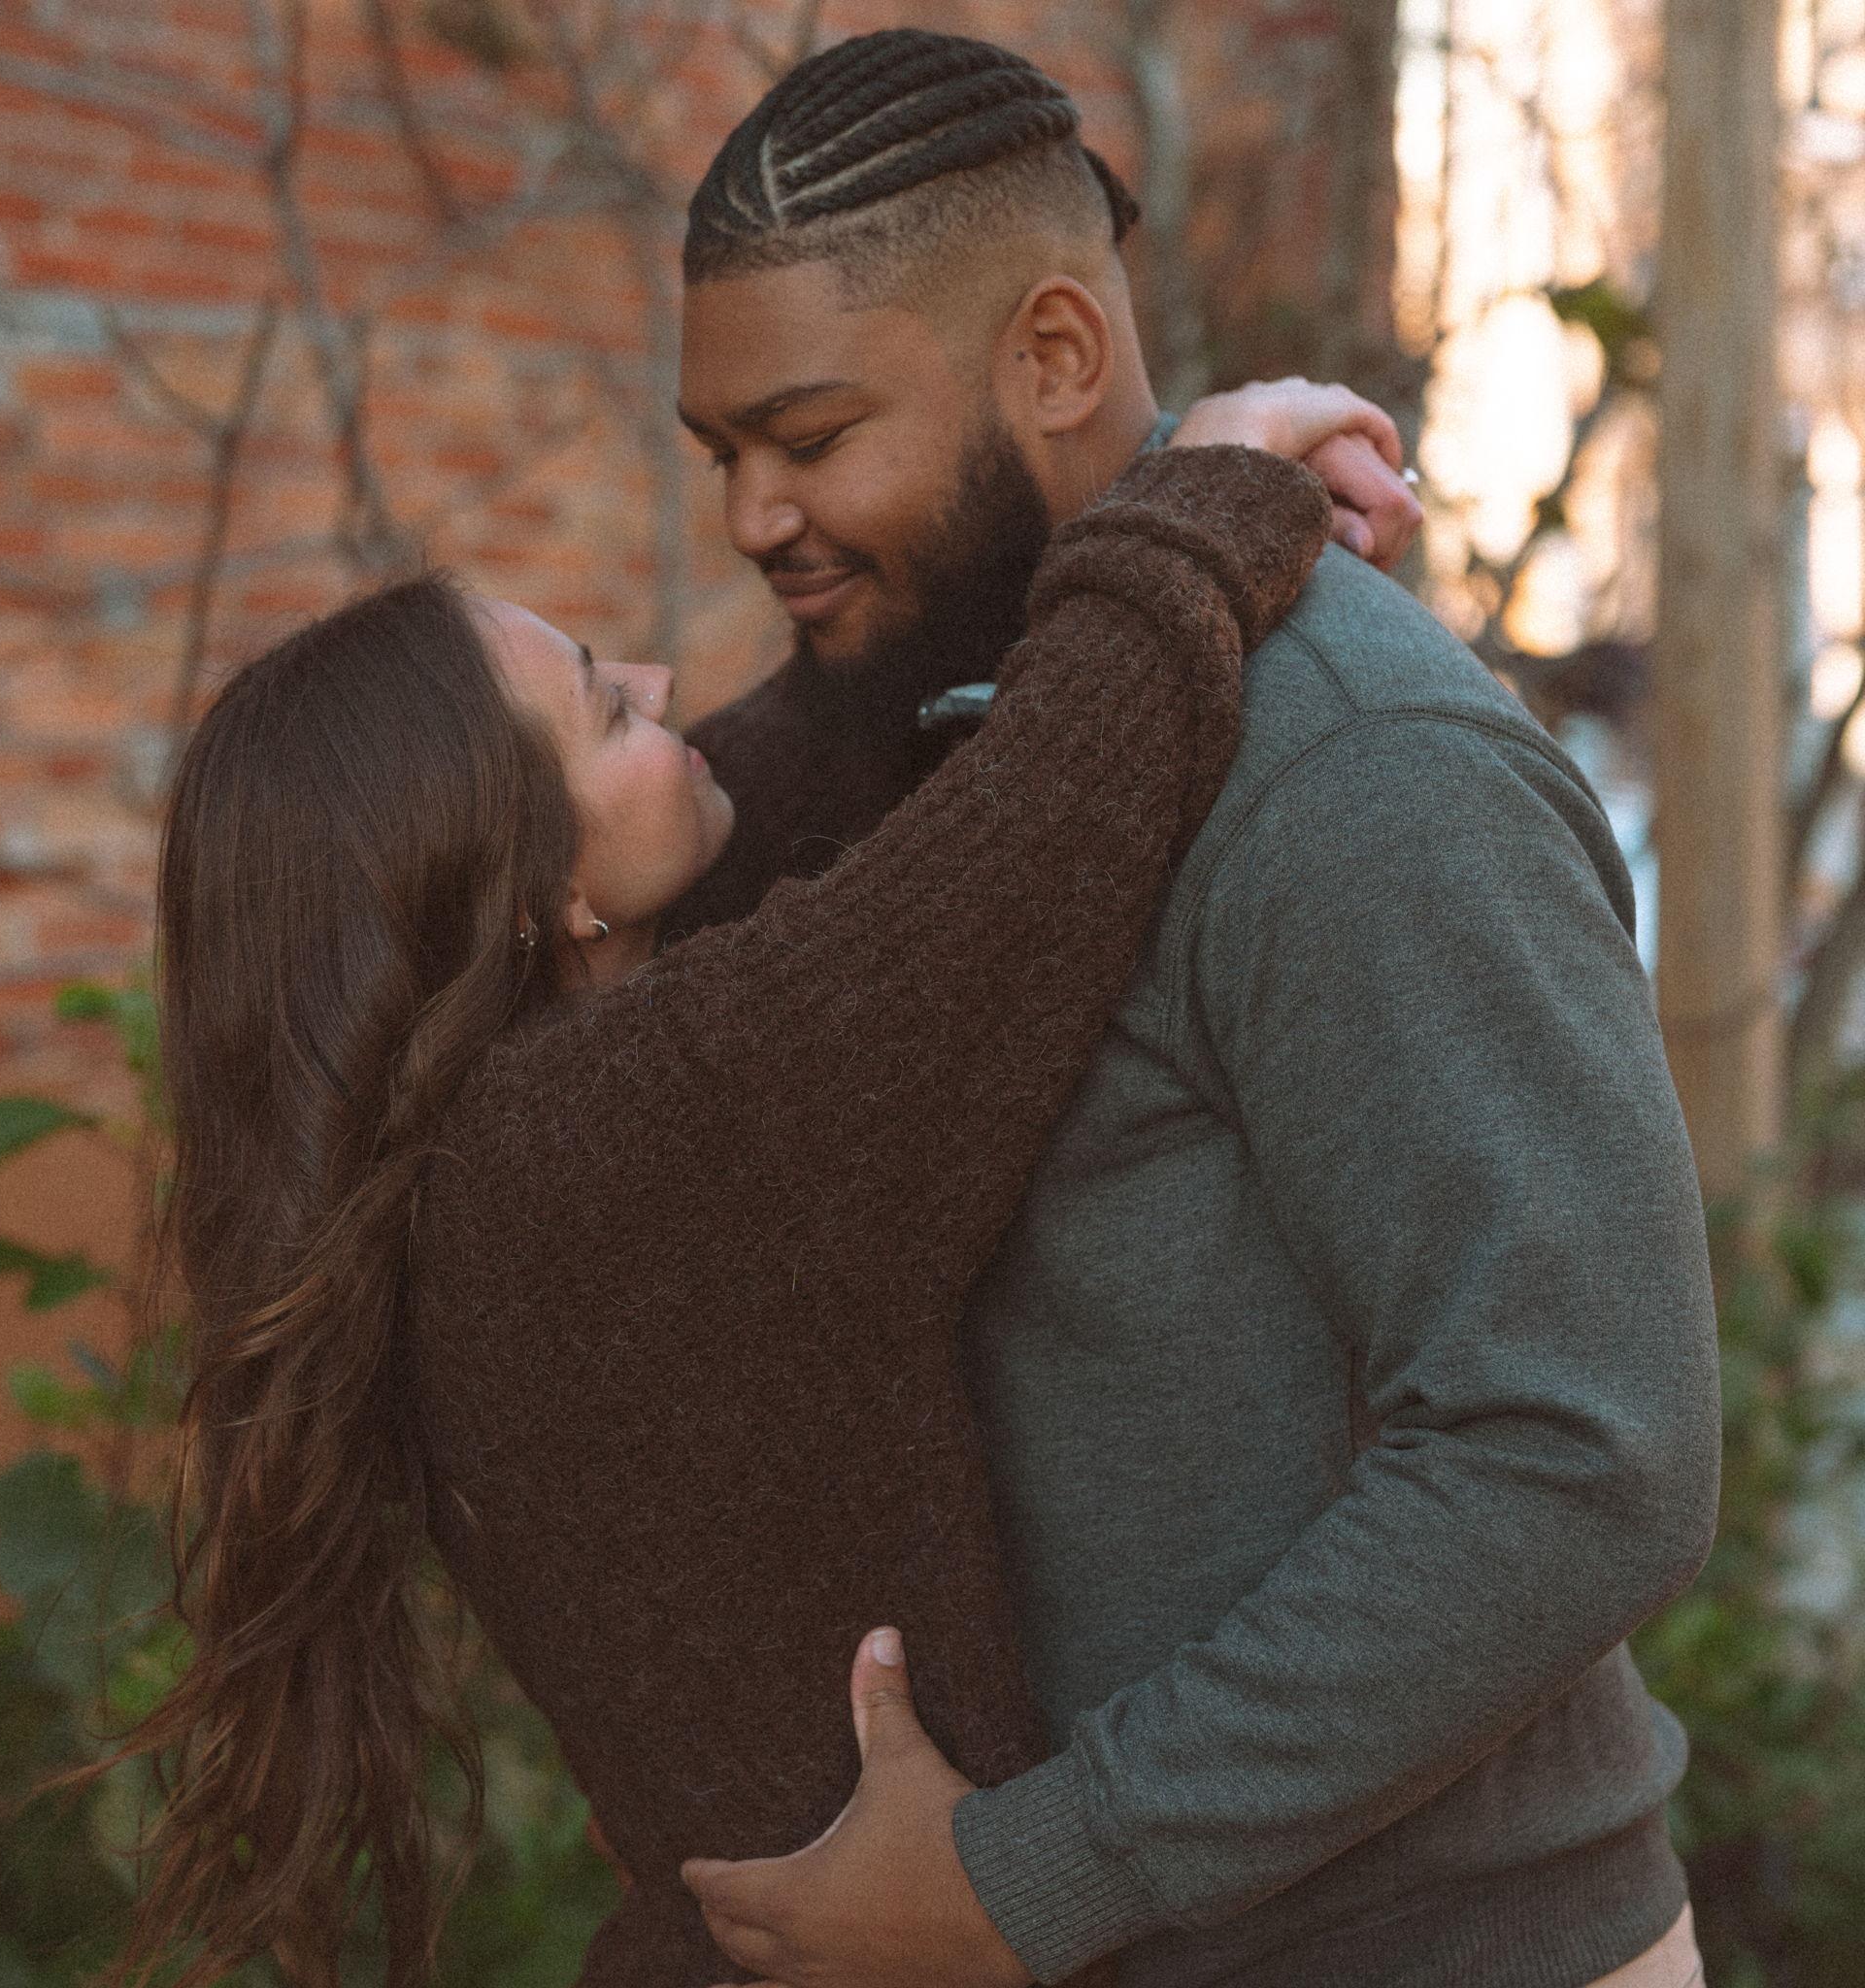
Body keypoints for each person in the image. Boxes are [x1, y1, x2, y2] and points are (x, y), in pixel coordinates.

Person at [658, 28, 1721, 1988]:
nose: (752, 517)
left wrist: (1031, 1871)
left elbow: (1577, 1448)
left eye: (810, 438)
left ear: (1054, 358)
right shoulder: (955, 727)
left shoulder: (1344, 761)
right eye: (721, 455)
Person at [89, 387, 1386, 1984]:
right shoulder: (626, 1139)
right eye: (607, 711)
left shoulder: (462, 1156)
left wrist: (901, 553)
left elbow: (784, 758)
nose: (658, 682)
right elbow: (1048, 811)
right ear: (538, 896)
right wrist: (1220, 480)